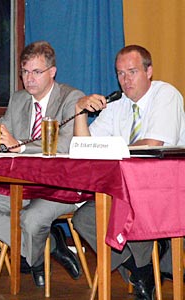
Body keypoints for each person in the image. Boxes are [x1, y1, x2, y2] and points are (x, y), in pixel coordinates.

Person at [72, 45, 185, 300]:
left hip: (162, 190)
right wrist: (79, 112)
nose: (126, 80)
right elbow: (84, 149)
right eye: (120, 73)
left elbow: (153, 145)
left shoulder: (166, 95)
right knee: (84, 219)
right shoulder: (116, 105)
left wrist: (108, 148)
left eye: (132, 72)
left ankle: (146, 263)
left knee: (132, 213)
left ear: (149, 71)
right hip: (121, 190)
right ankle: (141, 268)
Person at [0, 41, 84, 287]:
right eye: (25, 72)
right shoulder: (19, 99)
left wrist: (18, 145)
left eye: (36, 72)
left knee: (32, 220)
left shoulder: (71, 98)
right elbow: (3, 135)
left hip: (58, 185)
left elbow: (64, 145)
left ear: (52, 72)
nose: (29, 79)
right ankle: (50, 246)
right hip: (22, 183)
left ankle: (35, 259)